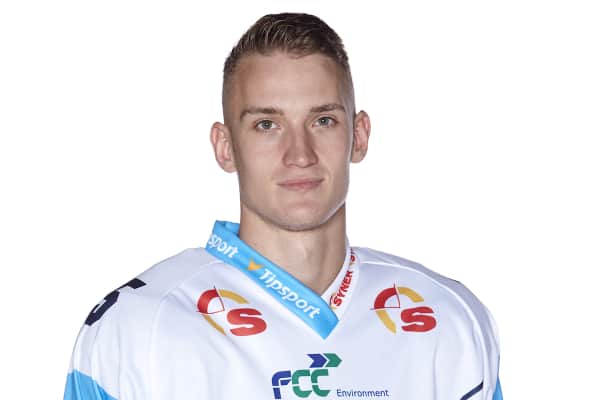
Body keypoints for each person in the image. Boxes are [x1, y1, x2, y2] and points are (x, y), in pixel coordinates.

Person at [63, 12, 503, 400]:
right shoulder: (139, 327)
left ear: (359, 136)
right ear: (225, 147)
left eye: (323, 120)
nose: (300, 154)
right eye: (266, 125)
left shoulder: (449, 320)